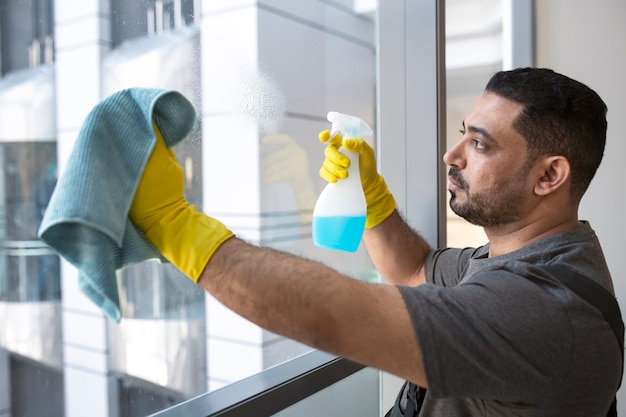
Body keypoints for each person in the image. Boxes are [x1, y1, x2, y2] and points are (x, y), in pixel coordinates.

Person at [128, 67, 621, 416]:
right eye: (462, 134)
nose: (451, 155)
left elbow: (334, 315)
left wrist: (175, 224)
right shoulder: (524, 258)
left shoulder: (544, 309)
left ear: (549, 175)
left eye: (479, 143)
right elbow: (414, 269)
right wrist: (371, 196)